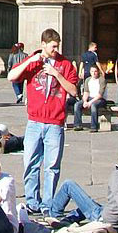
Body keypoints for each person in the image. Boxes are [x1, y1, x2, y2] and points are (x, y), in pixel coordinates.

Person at [6, 27, 78, 215]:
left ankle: (48, 204)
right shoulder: (33, 62)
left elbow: (73, 91)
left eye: (57, 46)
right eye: (53, 46)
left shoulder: (65, 64)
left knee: (52, 166)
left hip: (55, 123)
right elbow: (11, 76)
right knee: (30, 162)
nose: (56, 50)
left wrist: (57, 74)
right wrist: (31, 59)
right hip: (34, 122)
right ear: (43, 44)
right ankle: (32, 201)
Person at [72, 64, 109, 132]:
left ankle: (94, 126)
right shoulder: (88, 80)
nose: (94, 73)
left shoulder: (101, 80)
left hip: (99, 99)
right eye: (92, 71)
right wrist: (85, 101)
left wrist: (90, 103)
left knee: (93, 105)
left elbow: (100, 94)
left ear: (98, 72)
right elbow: (86, 92)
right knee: (77, 104)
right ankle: (77, 124)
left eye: (95, 71)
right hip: (89, 98)